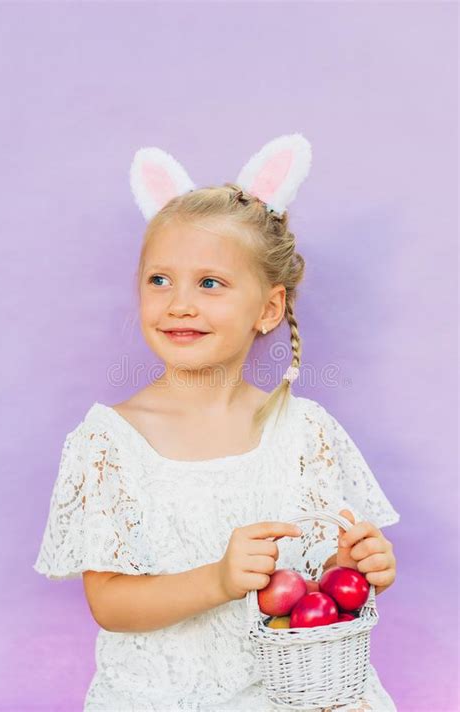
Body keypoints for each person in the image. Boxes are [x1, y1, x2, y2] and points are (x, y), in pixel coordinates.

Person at [33, 134, 401, 711]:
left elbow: (320, 574)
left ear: (268, 309)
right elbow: (109, 602)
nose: (179, 303)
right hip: (165, 697)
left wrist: (348, 568)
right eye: (160, 280)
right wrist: (219, 580)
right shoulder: (109, 442)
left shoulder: (307, 434)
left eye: (210, 283)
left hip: (297, 696)